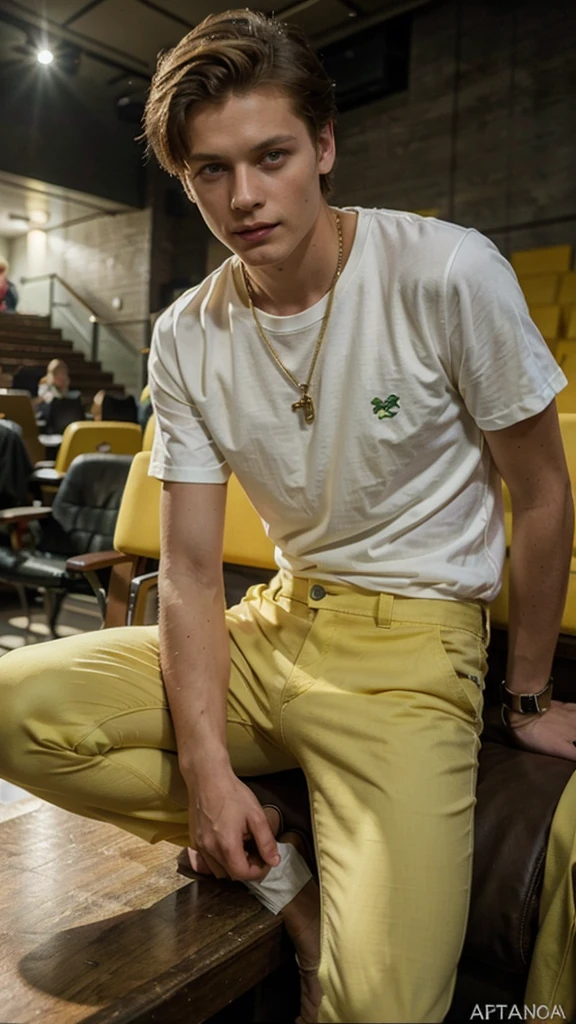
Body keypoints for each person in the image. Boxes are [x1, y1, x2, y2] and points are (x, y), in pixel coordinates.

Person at [0, 10, 575, 1023]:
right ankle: (284, 875)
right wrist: (213, 775)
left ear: (325, 146)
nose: (246, 197)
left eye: (271, 156)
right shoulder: (186, 331)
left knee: (384, 1009)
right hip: (276, 621)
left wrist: (525, 698)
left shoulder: (445, 270)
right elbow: (183, 567)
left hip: (413, 653)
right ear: (185, 179)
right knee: (17, 707)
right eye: (211, 172)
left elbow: (542, 491)